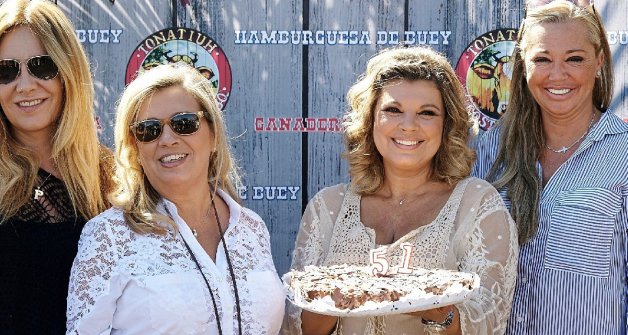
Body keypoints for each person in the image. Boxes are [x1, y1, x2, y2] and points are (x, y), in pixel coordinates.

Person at [283, 46, 518, 335]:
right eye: (393, 110)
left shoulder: (477, 204)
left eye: (427, 113)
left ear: (447, 126)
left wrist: (436, 309)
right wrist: (332, 300)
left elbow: (489, 321)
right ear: (370, 119)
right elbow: (297, 328)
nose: (408, 126)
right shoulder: (326, 207)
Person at [66, 63, 285, 334]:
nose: (167, 139)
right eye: (148, 130)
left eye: (184, 124)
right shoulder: (108, 236)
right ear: (135, 149)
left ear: (213, 134)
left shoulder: (252, 228)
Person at [472, 1, 628, 334]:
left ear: (599, 60)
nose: (558, 75)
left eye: (574, 59)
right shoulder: (491, 149)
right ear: (523, 65)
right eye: (542, 59)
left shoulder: (623, 152)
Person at [0, 0, 114, 333]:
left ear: (68, 72)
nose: (25, 85)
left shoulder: (111, 179)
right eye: (6, 71)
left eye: (42, 66)